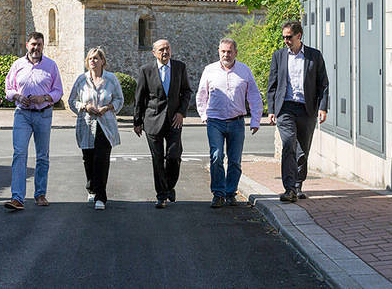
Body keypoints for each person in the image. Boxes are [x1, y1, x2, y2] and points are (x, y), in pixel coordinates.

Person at [196, 38, 263, 208]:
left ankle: (230, 193)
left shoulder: (244, 71)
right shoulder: (209, 70)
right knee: (217, 156)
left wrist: (255, 119)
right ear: (219, 52)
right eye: (223, 51)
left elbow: (254, 96)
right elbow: (201, 95)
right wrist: (204, 115)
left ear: (236, 52)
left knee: (234, 160)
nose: (226, 54)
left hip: (236, 122)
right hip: (215, 122)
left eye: (229, 51)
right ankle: (218, 193)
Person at [266, 21, 328, 203]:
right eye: (284, 37)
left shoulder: (314, 56)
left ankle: (298, 184)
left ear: (299, 36)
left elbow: (323, 84)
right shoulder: (278, 56)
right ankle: (289, 188)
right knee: (287, 144)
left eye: (289, 37)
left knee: (303, 150)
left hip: (307, 108)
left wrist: (323, 107)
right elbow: (272, 84)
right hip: (285, 108)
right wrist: (271, 109)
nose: (285, 40)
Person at [3, 32, 63, 211]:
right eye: (33, 44)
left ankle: (40, 194)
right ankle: (17, 198)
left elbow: (58, 91)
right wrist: (17, 96)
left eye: (39, 45)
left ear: (43, 46)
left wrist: (44, 97)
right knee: (19, 154)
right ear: (27, 44)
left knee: (42, 156)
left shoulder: (51, 66)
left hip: (43, 114)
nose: (36, 48)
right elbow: (9, 88)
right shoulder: (17, 64)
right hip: (22, 114)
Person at [133, 39, 192, 209]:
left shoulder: (180, 67)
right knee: (157, 159)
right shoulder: (146, 70)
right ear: (154, 53)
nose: (165, 52)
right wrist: (137, 121)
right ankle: (161, 195)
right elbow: (140, 97)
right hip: (152, 120)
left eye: (167, 49)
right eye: (161, 50)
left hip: (174, 120)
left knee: (174, 156)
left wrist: (181, 112)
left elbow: (187, 91)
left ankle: (169, 186)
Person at [68, 47, 124, 211]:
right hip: (86, 124)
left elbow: (120, 99)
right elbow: (72, 101)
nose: (93, 61)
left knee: (102, 159)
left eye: (96, 58)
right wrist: (84, 106)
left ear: (102, 61)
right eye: (90, 59)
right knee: (89, 158)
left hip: (105, 125)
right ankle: (91, 188)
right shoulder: (81, 80)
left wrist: (107, 107)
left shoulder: (111, 79)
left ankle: (101, 196)